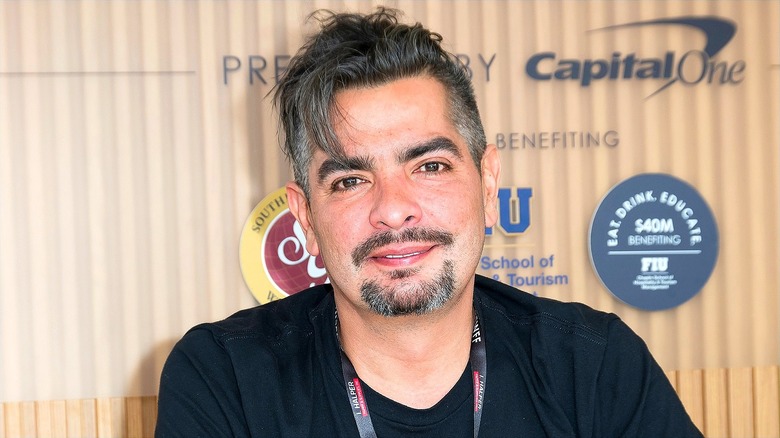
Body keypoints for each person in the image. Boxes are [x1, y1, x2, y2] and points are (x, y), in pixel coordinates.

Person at [156, 7, 702, 437]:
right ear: (305, 219)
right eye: (349, 180)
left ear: (488, 187)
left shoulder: (594, 364)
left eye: (430, 166)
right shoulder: (224, 380)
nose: (393, 208)